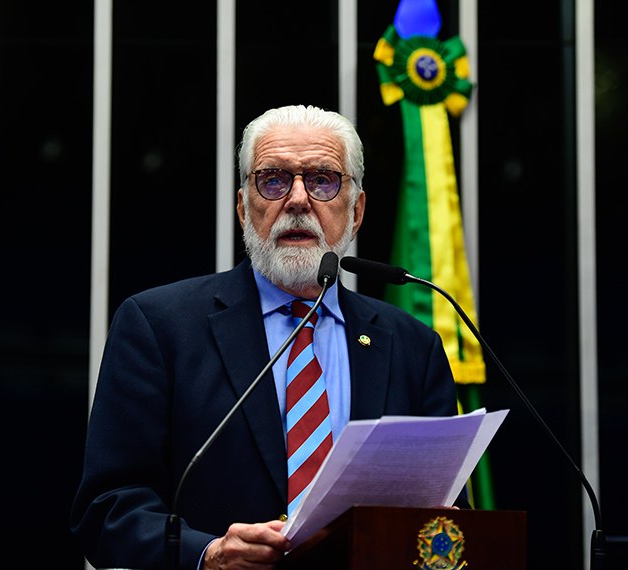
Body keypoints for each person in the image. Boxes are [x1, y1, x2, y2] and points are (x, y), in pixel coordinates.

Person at [70, 104, 468, 570]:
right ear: (243, 208)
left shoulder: (411, 346)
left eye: (323, 179)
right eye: (273, 180)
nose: (298, 200)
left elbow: (446, 512)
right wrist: (206, 553)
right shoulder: (158, 326)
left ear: (356, 212)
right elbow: (106, 510)